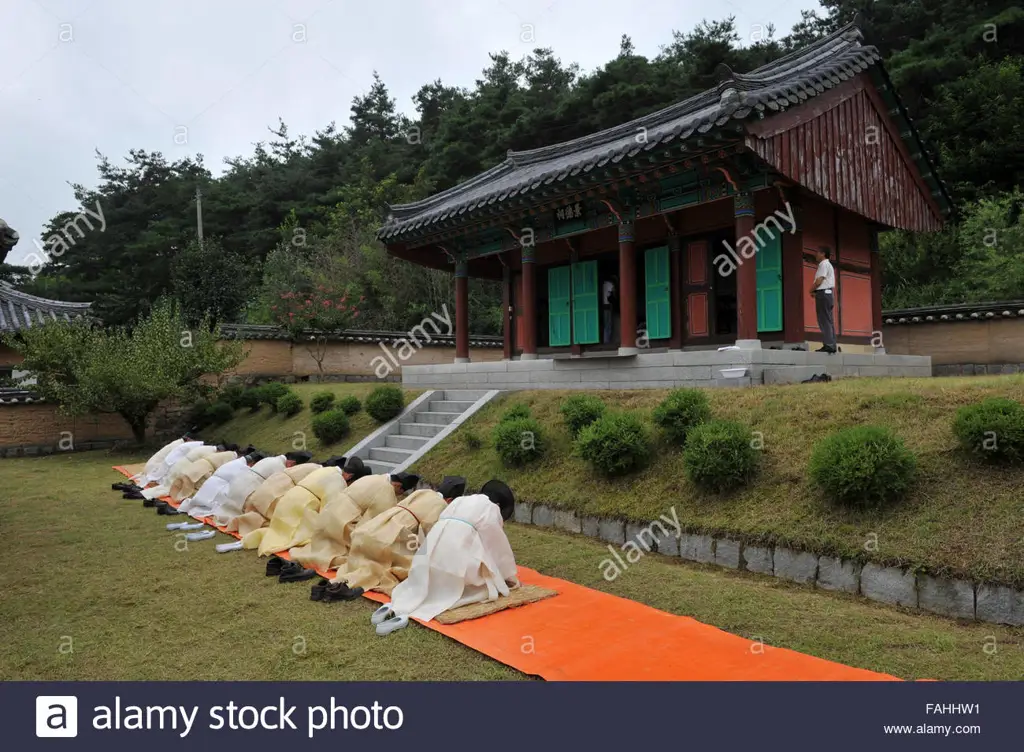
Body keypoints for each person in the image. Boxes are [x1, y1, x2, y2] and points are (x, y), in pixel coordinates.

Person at [371, 479, 518, 635]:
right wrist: (506, 575)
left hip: (429, 554)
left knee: (422, 586)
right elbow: (496, 547)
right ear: (500, 505)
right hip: (455, 559)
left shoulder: (460, 500)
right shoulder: (491, 508)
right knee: (482, 587)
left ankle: (394, 606)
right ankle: (410, 613)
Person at [318, 476, 466, 602]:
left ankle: (329, 584)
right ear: (450, 500)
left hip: (376, 527)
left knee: (367, 564)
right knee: (410, 568)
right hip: (395, 535)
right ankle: (339, 588)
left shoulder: (423, 492)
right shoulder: (441, 505)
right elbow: (429, 532)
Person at [286, 469, 411, 574]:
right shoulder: (387, 490)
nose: (398, 495)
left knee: (324, 547)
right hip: (341, 522)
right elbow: (377, 522)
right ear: (398, 486)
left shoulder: (374, 477)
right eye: (400, 492)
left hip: (329, 512)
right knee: (359, 554)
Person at [245, 458, 349, 556]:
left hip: (287, 496)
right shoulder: (336, 479)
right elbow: (329, 507)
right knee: (310, 534)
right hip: (300, 504)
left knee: (279, 530)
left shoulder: (320, 470)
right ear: (349, 476)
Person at [223, 451, 319, 536]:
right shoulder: (281, 469)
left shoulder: (270, 459)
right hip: (246, 493)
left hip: (234, 488)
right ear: (292, 464)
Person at [178, 450, 264, 518]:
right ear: (253, 462)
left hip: (212, 484)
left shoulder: (236, 462)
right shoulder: (243, 467)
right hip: (219, 487)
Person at [809, 246, 837, 354]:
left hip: (823, 293)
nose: (816, 255)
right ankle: (831, 344)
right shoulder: (828, 264)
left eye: (818, 252)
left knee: (824, 319)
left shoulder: (824, 264)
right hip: (828, 293)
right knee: (828, 320)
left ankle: (828, 344)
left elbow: (819, 281)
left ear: (823, 254)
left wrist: (811, 290)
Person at [602, 274, 618, 344]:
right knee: (608, 324)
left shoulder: (602, 284)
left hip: (602, 305)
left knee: (604, 324)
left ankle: (605, 339)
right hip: (608, 305)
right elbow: (613, 295)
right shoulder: (610, 285)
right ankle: (607, 341)